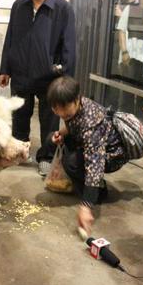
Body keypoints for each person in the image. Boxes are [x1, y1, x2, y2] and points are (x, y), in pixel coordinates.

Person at [0, 0, 76, 176]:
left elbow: (69, 46)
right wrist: (5, 68)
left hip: (50, 75)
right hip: (21, 71)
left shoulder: (62, 8)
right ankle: (20, 151)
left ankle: (46, 156)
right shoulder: (19, 6)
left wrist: (64, 77)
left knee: (49, 118)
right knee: (20, 114)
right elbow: (10, 38)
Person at [46, 76, 128, 234]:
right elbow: (74, 124)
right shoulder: (75, 104)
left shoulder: (91, 124)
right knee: (60, 147)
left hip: (112, 156)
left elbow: (95, 166)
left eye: (66, 112)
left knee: (71, 163)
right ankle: (86, 187)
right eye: (57, 110)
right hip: (90, 146)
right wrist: (61, 134)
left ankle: (99, 192)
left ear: (77, 99)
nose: (62, 114)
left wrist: (86, 206)